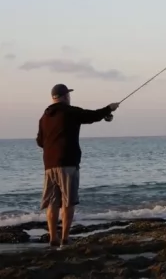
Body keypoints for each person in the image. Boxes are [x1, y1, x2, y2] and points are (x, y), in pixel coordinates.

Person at [36, 84, 120, 248]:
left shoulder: (44, 118)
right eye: (68, 95)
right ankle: (65, 239)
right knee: (68, 202)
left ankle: (53, 238)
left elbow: (40, 142)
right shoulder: (70, 112)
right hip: (68, 162)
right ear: (65, 96)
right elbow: (92, 116)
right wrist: (109, 108)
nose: (69, 97)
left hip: (49, 165)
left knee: (52, 203)